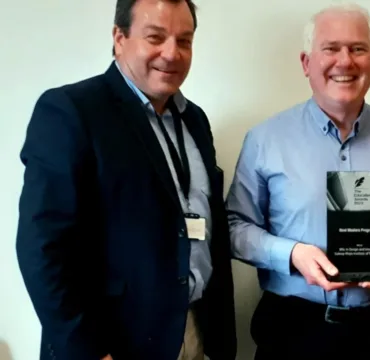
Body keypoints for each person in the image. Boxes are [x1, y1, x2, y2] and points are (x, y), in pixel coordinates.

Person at [15, 1, 236, 359]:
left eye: (184, 40)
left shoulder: (195, 120)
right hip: (113, 343)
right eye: (155, 37)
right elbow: (43, 248)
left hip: (195, 333)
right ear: (119, 38)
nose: (171, 53)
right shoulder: (71, 111)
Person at [225, 3, 370, 360]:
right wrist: (292, 254)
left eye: (357, 49)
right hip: (291, 329)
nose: (345, 61)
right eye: (331, 48)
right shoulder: (265, 140)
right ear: (306, 63)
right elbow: (235, 227)